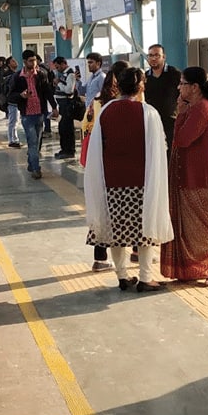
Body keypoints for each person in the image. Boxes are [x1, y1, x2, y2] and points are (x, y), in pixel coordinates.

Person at [84, 67, 173, 292]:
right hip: (142, 180)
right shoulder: (148, 112)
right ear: (141, 86)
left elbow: (97, 146)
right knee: (143, 230)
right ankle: (145, 277)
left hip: (112, 179)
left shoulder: (106, 110)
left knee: (116, 230)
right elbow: (159, 147)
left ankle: (122, 276)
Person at [160, 67, 208, 286]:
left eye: (183, 84)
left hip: (200, 177)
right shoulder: (198, 106)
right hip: (191, 175)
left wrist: (181, 113)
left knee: (205, 229)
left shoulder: (200, 109)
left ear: (194, 87)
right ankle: (193, 268)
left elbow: (183, 139)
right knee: (192, 229)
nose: (179, 87)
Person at [82, 60, 129, 271]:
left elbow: (85, 125)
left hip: (98, 161)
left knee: (103, 210)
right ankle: (137, 250)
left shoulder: (98, 100)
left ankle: (100, 257)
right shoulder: (130, 104)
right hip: (123, 164)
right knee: (131, 208)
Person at [9, 49, 58, 179]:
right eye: (31, 61)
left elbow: (47, 91)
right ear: (24, 62)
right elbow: (10, 95)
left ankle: (31, 162)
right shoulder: (17, 77)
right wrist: (21, 95)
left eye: (35, 60)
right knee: (32, 141)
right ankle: (36, 169)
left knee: (38, 142)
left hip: (40, 114)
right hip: (27, 115)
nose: (34, 63)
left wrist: (54, 107)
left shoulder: (41, 75)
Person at [143, 44, 181, 152]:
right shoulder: (145, 78)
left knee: (171, 152)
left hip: (171, 122)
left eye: (157, 55)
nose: (153, 58)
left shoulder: (174, 74)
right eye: (150, 55)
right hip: (152, 122)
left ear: (163, 57)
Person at [51, 56, 77, 159]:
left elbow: (69, 90)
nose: (57, 69)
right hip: (61, 104)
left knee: (67, 128)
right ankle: (64, 149)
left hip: (67, 104)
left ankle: (69, 150)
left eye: (58, 67)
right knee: (62, 128)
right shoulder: (62, 74)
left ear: (63, 64)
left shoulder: (70, 74)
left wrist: (59, 84)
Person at [0, 57, 21, 148]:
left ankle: (15, 138)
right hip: (12, 100)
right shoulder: (9, 75)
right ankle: (12, 140)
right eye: (13, 61)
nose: (16, 62)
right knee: (13, 120)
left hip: (15, 100)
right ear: (9, 64)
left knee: (15, 120)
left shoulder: (14, 73)